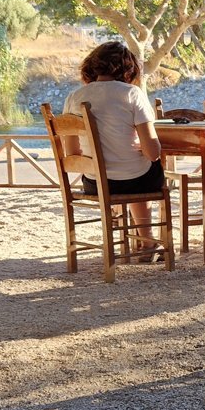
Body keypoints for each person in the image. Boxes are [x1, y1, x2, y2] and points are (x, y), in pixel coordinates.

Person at [63, 41, 164, 259]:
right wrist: (141, 148)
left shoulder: (74, 97)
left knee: (132, 171)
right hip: (133, 181)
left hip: (94, 184)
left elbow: (71, 153)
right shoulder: (132, 94)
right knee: (145, 168)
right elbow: (153, 153)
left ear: (92, 66)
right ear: (128, 68)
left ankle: (129, 226)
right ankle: (147, 241)